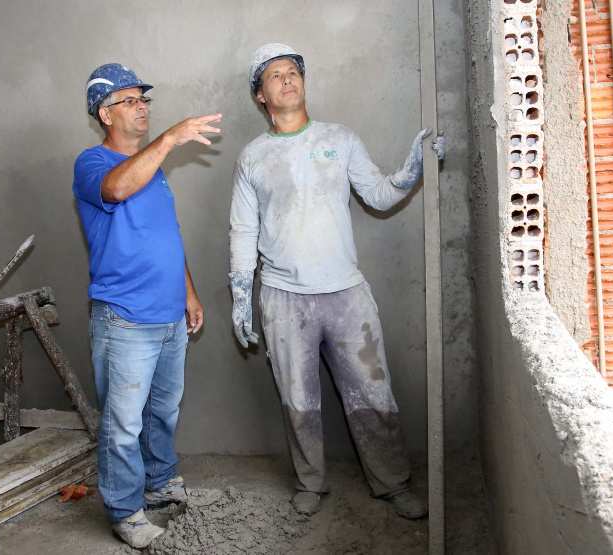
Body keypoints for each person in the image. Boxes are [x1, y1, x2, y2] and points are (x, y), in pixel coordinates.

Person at [228, 44, 444, 519]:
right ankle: (311, 483)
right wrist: (242, 297)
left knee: (371, 392)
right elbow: (243, 231)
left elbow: (379, 195)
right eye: (274, 76)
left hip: (346, 295)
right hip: (284, 298)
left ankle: (392, 483)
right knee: (297, 397)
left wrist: (412, 170)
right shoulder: (254, 157)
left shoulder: (339, 139)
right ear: (260, 96)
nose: (287, 80)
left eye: (293, 72)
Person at [73, 63, 221, 549]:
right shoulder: (92, 164)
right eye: (130, 100)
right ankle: (124, 508)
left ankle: (159, 482)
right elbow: (116, 188)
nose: (142, 108)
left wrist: (190, 294)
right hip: (124, 320)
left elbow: (166, 239)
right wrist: (171, 139)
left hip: (168, 316)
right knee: (123, 423)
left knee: (162, 411)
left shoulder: (154, 175)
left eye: (144, 100)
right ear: (105, 113)